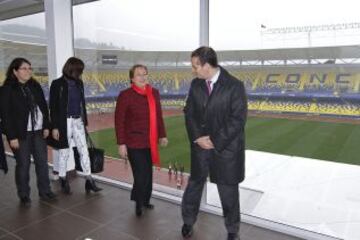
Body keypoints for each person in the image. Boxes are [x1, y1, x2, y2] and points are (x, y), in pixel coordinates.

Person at [181, 47, 247, 240]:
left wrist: (214, 140)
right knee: (194, 188)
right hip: (200, 147)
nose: (194, 70)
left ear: (207, 65)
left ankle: (232, 230)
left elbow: (237, 120)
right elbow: (189, 112)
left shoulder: (235, 86)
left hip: (225, 150)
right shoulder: (196, 85)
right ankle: (187, 221)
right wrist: (197, 137)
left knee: (228, 194)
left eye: (196, 66)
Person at [0, 58, 56, 206]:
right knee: (23, 165)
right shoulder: (7, 89)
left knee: (42, 163)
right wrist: (11, 137)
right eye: (24, 68)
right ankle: (24, 194)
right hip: (20, 134)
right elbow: (5, 115)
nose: (28, 71)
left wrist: (46, 126)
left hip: (38, 131)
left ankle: (45, 191)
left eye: (30, 68)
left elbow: (43, 107)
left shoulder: (35, 86)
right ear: (15, 71)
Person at [115, 64, 168, 217]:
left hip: (149, 141)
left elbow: (158, 116)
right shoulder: (125, 95)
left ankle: (145, 200)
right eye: (139, 74)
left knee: (148, 173)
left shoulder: (154, 93)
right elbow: (119, 121)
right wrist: (121, 143)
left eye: (145, 74)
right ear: (132, 78)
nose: (143, 77)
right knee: (140, 174)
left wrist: (162, 135)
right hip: (133, 141)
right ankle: (139, 203)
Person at [49, 57, 102, 194]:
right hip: (63, 122)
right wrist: (54, 126)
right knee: (64, 152)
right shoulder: (57, 84)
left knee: (84, 151)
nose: (81, 73)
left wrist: (84, 122)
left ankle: (89, 179)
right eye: (80, 70)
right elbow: (53, 107)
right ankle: (63, 178)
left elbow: (81, 104)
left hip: (78, 121)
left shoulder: (79, 83)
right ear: (72, 69)